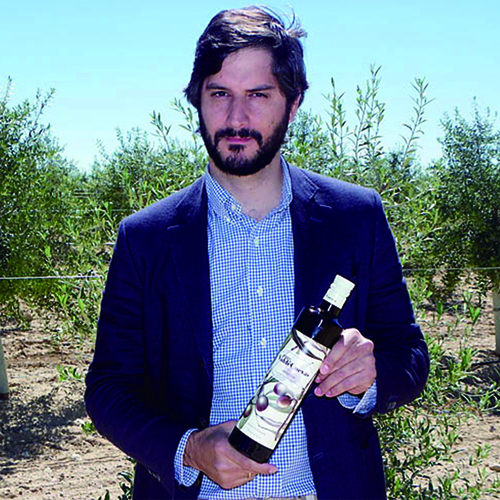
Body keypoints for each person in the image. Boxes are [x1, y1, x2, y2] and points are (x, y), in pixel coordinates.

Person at [85, 6, 430, 500]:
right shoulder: (147, 238)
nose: (236, 118)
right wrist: (189, 448)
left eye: (258, 95)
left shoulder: (355, 217)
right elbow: (109, 388)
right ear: (197, 101)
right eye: (219, 93)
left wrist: (370, 374)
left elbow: (409, 354)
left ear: (293, 104)